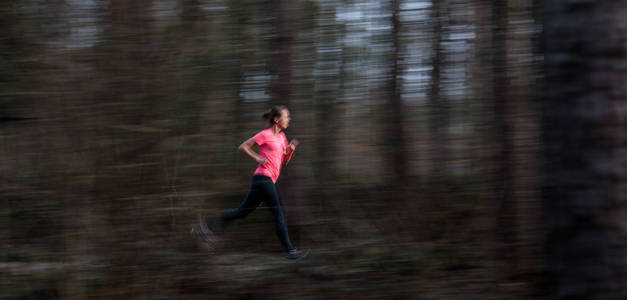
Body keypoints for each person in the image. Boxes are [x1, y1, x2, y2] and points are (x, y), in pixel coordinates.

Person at [193, 105, 308, 260]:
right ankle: (290, 251)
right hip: (263, 178)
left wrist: (291, 150)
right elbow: (243, 146)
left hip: (265, 181)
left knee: (242, 212)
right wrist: (258, 158)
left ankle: (206, 225)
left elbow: (284, 160)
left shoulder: (282, 137)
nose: (289, 119)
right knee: (279, 213)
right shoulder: (265, 134)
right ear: (276, 119)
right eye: (286, 116)